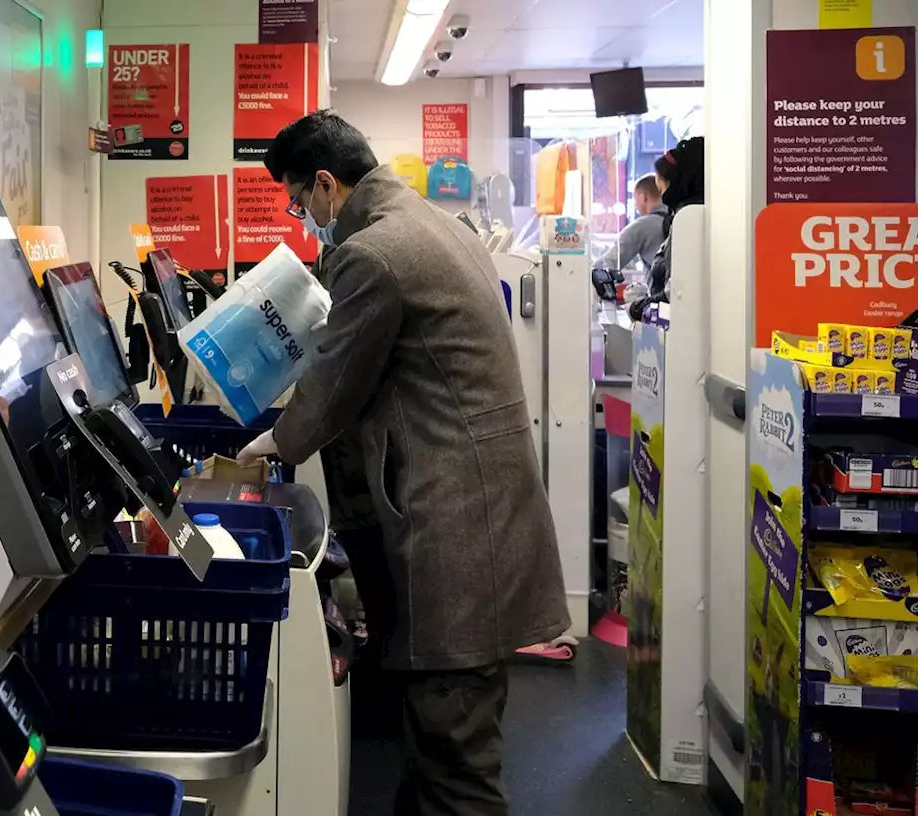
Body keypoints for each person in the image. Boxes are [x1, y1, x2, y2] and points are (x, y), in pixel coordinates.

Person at [238, 110, 570, 816]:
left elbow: (334, 379)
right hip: (482, 503)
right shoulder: (436, 224)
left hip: (457, 522)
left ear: (328, 184)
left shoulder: (376, 251)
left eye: (301, 201)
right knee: (435, 741)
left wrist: (271, 443)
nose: (305, 219)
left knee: (454, 755)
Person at [628, 136, 705, 321]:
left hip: (681, 334)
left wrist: (639, 306)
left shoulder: (688, 224)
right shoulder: (687, 219)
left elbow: (676, 294)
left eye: (662, 185)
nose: (660, 189)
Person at [608, 173, 668, 273]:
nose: (635, 205)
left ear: (642, 197)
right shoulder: (677, 220)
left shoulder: (641, 226)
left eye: (635, 198)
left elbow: (609, 263)